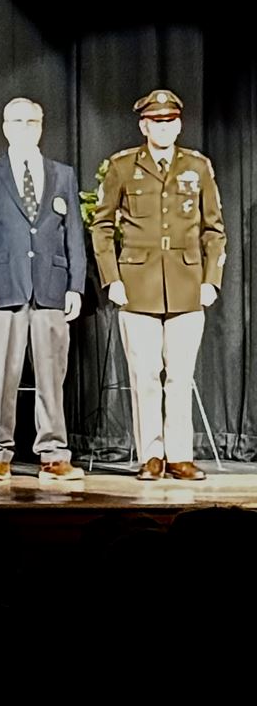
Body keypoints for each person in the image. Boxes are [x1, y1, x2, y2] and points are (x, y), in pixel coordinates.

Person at [91, 88, 226, 481]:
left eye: (170, 121)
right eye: (156, 122)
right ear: (143, 125)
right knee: (145, 374)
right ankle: (151, 454)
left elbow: (214, 229)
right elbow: (101, 225)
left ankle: (180, 455)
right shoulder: (122, 166)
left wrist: (211, 280)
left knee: (181, 376)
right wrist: (112, 278)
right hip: (137, 284)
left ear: (179, 124)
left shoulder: (197, 166)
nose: (164, 128)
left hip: (187, 284)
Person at [0, 98, 87, 486]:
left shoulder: (62, 174)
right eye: (17, 121)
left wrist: (76, 285)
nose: (25, 127)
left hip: (50, 287)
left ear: (41, 126)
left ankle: (53, 454)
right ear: (5, 127)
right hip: (4, 289)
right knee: (2, 375)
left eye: (32, 121)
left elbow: (74, 236)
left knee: (52, 375)